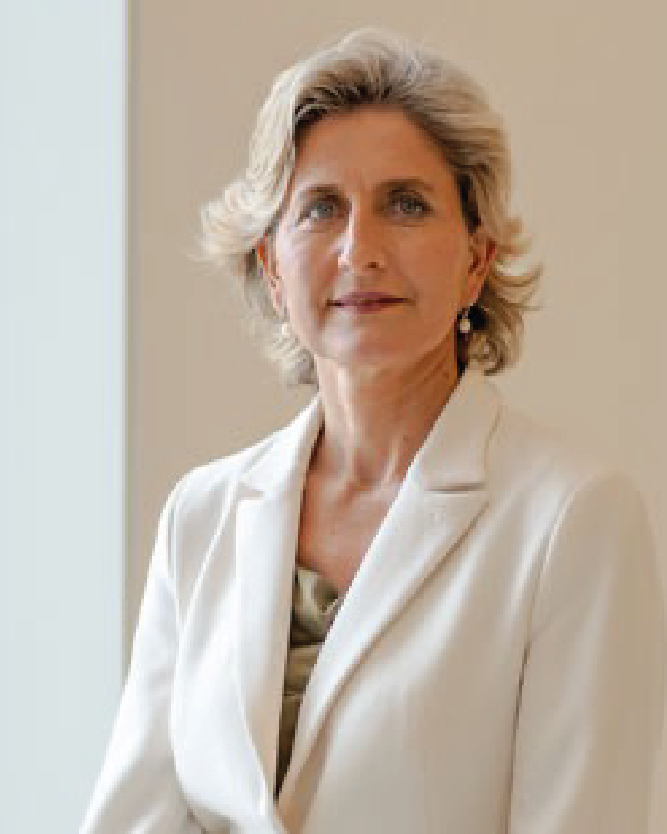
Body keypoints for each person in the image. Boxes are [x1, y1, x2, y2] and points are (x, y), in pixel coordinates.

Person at [80, 27, 665, 834]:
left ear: (476, 259)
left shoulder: (574, 518)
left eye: (405, 204)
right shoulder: (202, 513)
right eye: (321, 208)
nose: (360, 250)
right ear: (272, 268)